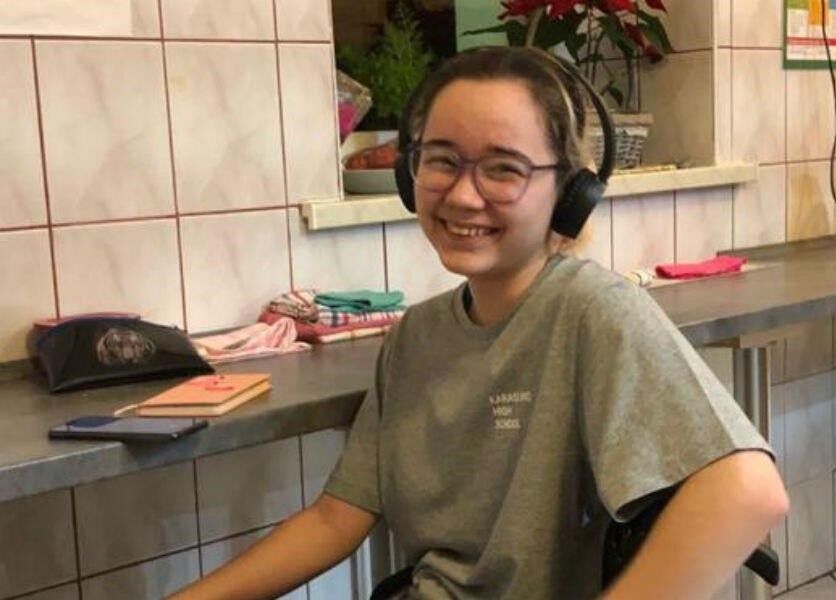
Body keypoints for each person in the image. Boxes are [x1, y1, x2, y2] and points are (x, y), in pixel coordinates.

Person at [170, 46, 789, 600]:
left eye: (503, 168)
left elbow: (747, 492)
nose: (463, 196)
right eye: (442, 161)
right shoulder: (415, 336)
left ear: (570, 192)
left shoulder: (590, 309)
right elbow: (336, 519)